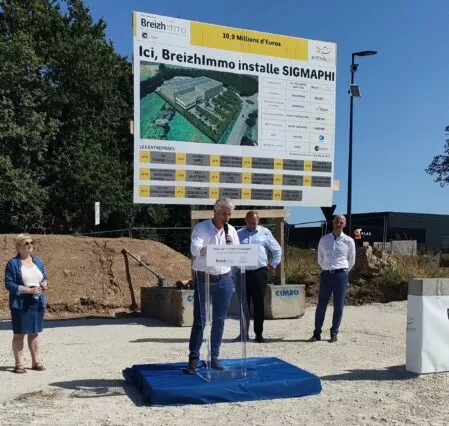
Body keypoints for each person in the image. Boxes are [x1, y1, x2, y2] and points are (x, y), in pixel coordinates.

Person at [185, 197, 239, 374]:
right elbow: (195, 249)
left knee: (220, 319)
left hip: (225, 277)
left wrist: (231, 247)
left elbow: (238, 253)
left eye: (229, 214)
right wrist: (208, 250)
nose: (227, 217)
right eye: (224, 214)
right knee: (200, 320)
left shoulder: (231, 230)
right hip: (204, 277)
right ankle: (193, 359)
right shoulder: (202, 228)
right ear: (215, 211)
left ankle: (214, 356)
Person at [4, 234, 48, 373]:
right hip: (20, 304)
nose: (30, 245)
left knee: (34, 332)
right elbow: (9, 283)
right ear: (19, 247)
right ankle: (19, 364)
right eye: (26, 243)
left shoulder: (38, 261)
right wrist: (28, 290)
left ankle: (36, 362)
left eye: (31, 242)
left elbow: (44, 277)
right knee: (19, 333)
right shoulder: (12, 263)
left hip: (37, 302)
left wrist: (44, 283)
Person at [309, 215, 356, 343]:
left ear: (344, 224)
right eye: (336, 222)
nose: (338, 224)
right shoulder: (324, 240)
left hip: (341, 275)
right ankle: (317, 333)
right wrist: (327, 268)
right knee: (321, 305)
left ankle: (334, 332)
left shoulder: (349, 241)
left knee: (338, 305)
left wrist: (343, 271)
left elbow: (351, 260)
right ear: (333, 223)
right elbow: (320, 258)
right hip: (326, 275)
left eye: (341, 222)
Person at [236, 211, 282, 343]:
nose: (252, 224)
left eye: (254, 222)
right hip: (242, 273)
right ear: (245, 220)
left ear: (258, 220)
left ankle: (259, 334)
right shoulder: (238, 234)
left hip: (259, 272)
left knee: (259, 304)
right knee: (243, 304)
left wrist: (273, 265)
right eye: (250, 222)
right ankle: (243, 334)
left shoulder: (265, 232)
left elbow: (277, 250)